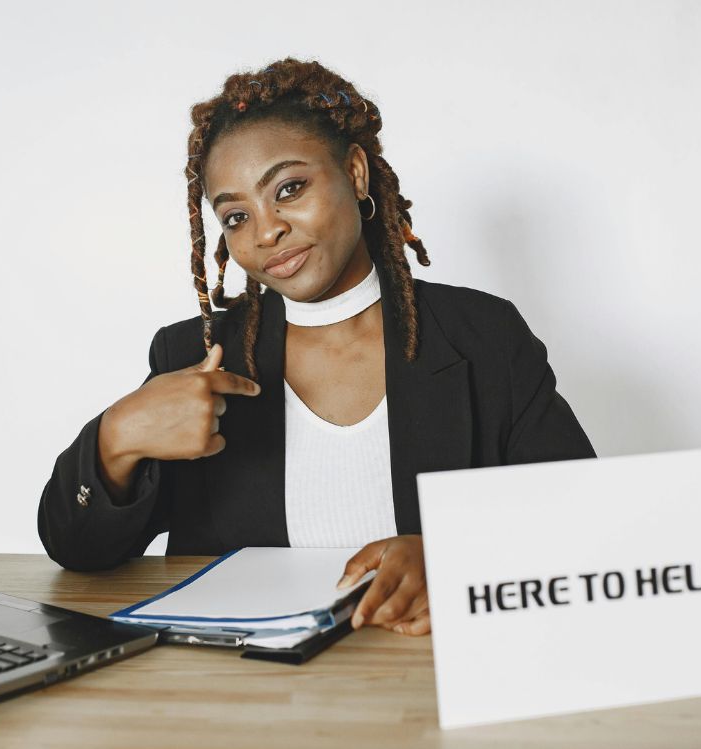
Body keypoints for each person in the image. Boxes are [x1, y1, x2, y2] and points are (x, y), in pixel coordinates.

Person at [38, 57, 595, 637]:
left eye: (290, 188)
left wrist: (457, 557)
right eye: (235, 215)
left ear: (355, 173)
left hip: (426, 676)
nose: (266, 230)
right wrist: (116, 438)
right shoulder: (195, 356)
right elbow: (78, 552)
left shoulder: (483, 335)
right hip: (247, 694)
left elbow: (583, 516)